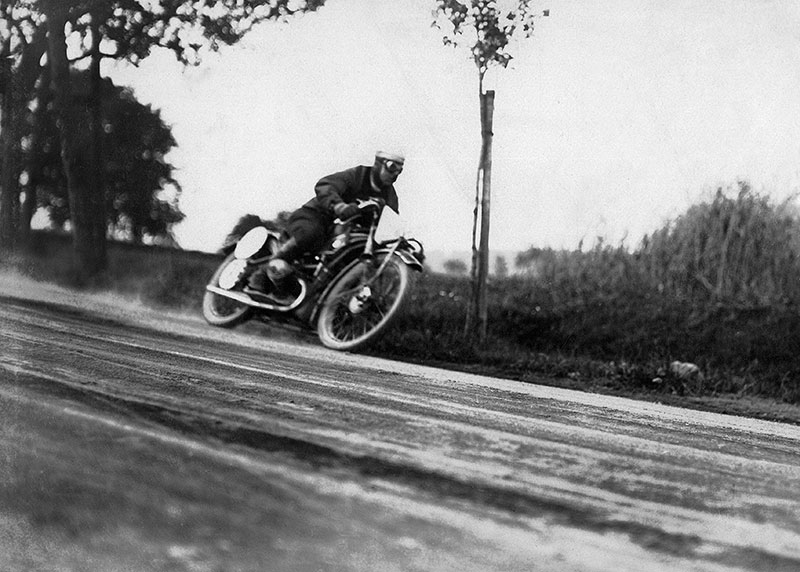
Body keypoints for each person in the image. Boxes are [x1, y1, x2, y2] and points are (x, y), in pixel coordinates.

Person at [244, 149, 405, 304]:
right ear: (378, 163)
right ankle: (261, 274)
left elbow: (389, 220)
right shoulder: (357, 176)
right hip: (317, 216)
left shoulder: (389, 196)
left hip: (345, 232)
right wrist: (339, 206)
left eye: (399, 171)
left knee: (355, 259)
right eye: (392, 167)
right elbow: (326, 185)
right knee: (311, 233)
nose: (395, 174)